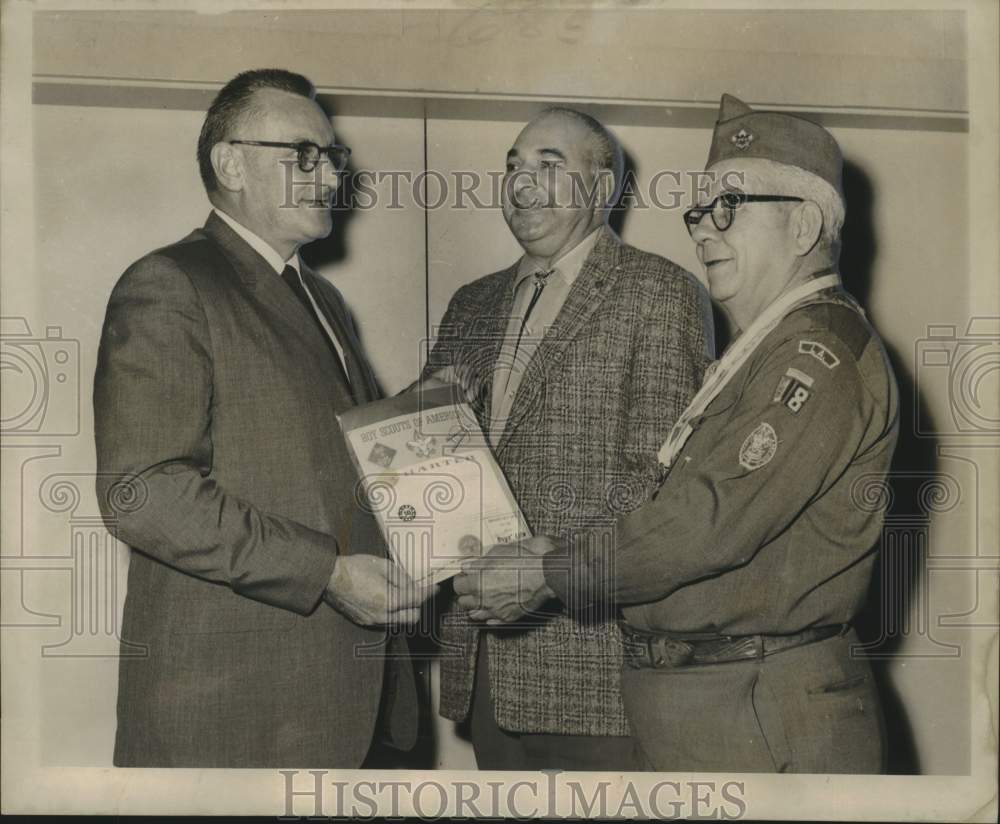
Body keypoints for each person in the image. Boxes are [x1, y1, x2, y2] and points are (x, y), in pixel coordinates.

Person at [456, 94, 899, 774]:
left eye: (730, 207)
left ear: (805, 223)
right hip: (714, 702)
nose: (703, 232)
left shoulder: (818, 350)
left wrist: (548, 570)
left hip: (758, 707)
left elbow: (705, 522)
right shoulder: (767, 346)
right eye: (699, 212)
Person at [94, 68, 433, 768]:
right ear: (230, 164)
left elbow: (341, 462)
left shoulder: (323, 301)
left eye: (332, 156)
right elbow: (146, 493)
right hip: (237, 712)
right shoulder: (170, 284)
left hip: (344, 701)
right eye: (302, 155)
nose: (329, 175)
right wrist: (330, 574)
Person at [423, 108, 714, 769]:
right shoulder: (473, 302)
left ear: (603, 185)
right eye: (514, 166)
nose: (523, 182)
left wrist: (542, 575)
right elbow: (429, 458)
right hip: (483, 667)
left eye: (549, 165)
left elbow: (661, 484)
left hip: (596, 672)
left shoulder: (661, 292)